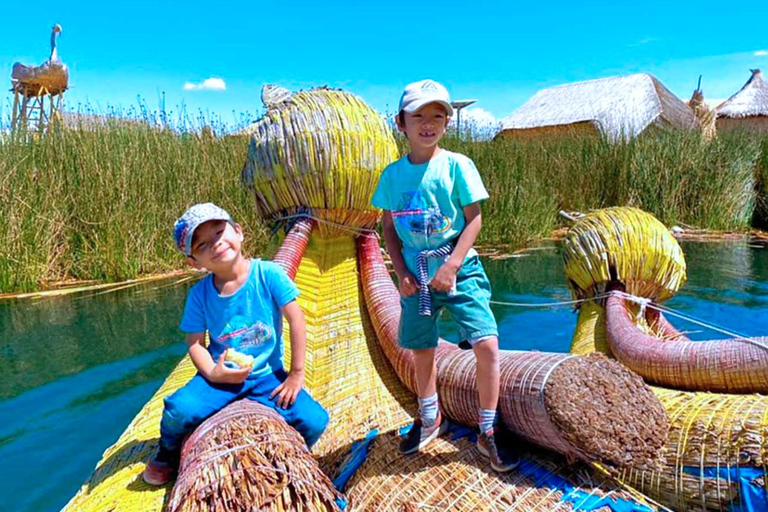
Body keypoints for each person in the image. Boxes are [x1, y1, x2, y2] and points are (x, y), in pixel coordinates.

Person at [371, 80, 518, 472]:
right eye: (419, 115)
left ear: (447, 123)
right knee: (422, 348)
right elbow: (388, 227)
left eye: (438, 115)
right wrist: (400, 270)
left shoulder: (457, 165)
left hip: (460, 269)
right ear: (401, 122)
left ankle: (488, 428)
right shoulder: (392, 176)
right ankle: (430, 415)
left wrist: (452, 265)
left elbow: (475, 220)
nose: (428, 123)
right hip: (416, 276)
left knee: (486, 344)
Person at [142, 203, 329, 485]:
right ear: (194, 262)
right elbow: (195, 344)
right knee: (178, 410)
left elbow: (296, 320)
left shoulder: (268, 275)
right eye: (202, 244)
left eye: (219, 231)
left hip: (268, 376)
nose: (215, 243)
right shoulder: (200, 295)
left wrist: (296, 374)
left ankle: (295, 455)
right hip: (220, 377)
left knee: (315, 420)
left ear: (239, 232)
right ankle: (167, 454)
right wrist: (213, 373)